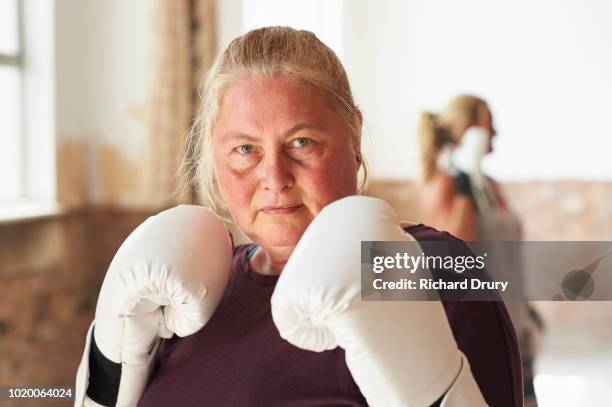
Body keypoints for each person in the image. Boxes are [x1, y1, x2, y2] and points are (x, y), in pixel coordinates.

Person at [75, 28, 522, 407]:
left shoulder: (437, 266)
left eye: (302, 142)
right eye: (245, 149)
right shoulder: (178, 292)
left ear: (354, 137)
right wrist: (104, 363)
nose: (274, 176)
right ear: (213, 154)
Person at [419, 94, 541, 406]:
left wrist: (528, 313)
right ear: (468, 131)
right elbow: (456, 255)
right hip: (482, 327)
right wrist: (463, 177)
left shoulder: (489, 184)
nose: (496, 133)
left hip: (517, 321)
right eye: (490, 125)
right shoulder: (446, 183)